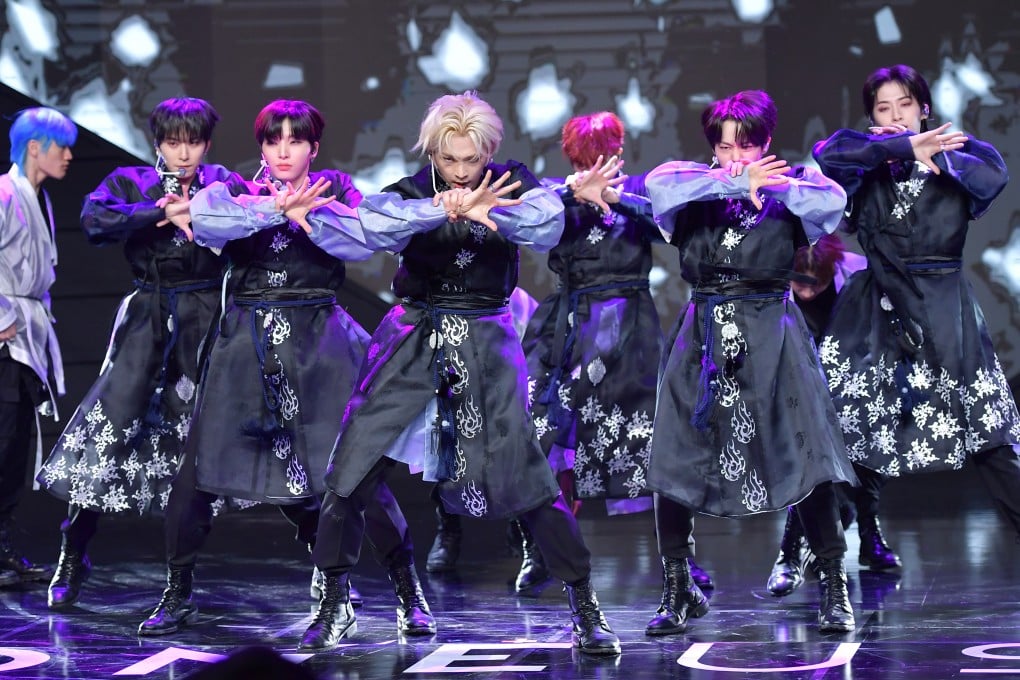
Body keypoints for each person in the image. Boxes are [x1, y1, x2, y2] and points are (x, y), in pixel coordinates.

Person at [300, 91, 621, 656]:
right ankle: (335, 600)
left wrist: (490, 208)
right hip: (414, 331)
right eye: (450, 161)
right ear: (434, 154)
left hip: (485, 335)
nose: (462, 171)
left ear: (488, 152)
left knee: (526, 476)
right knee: (351, 469)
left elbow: (546, 223)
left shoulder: (511, 181)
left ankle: (584, 603)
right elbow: (374, 222)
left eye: (472, 161)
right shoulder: (415, 190)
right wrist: (445, 209)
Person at [136, 100, 409, 635]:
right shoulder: (235, 190)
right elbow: (209, 222)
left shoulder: (337, 191)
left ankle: (399, 588)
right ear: (262, 147)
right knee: (196, 475)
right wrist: (279, 209)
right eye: (273, 141)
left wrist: (311, 214)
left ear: (313, 147)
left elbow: (363, 238)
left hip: (319, 345)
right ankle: (178, 589)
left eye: (295, 140)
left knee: (350, 478)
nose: (283, 150)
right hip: (246, 344)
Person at [644, 89, 859, 635]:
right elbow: (657, 186)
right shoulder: (690, 185)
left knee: (806, 460)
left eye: (747, 146)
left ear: (766, 143)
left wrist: (778, 186)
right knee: (675, 461)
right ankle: (676, 584)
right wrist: (730, 180)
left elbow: (832, 204)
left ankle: (833, 582)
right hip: (704, 334)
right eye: (723, 146)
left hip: (773, 330)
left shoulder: (793, 188)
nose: (735, 156)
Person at [36, 98, 248, 609]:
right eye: (173, 142)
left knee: (204, 442)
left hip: (205, 318)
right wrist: (159, 210)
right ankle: (73, 548)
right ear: (158, 141)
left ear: (206, 142)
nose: (183, 152)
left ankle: (184, 579)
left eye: (192, 142)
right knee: (111, 431)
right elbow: (94, 219)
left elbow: (253, 221)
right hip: (147, 318)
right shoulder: (131, 181)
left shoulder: (222, 181)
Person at [812, 64, 1020, 542]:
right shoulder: (862, 161)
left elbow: (994, 175)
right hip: (873, 309)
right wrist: (900, 148)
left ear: (924, 108)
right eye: (883, 108)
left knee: (988, 435)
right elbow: (829, 153)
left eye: (905, 104)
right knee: (843, 430)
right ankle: (815, 556)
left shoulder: (960, 154)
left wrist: (934, 156)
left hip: (943, 305)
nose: (896, 115)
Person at [765, 234, 901, 598]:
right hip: (801, 383)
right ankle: (789, 552)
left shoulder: (857, 273)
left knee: (869, 457)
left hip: (856, 378)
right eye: (799, 284)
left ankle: (870, 535)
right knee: (813, 465)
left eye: (817, 284)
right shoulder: (772, 282)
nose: (807, 293)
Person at [0, 107, 76, 589]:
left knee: (14, 447)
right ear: (34, 147)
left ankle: (2, 545)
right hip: (6, 338)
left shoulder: (37, 198)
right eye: (60, 146)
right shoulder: (5, 192)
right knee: (2, 442)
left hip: (26, 335)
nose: (68, 156)